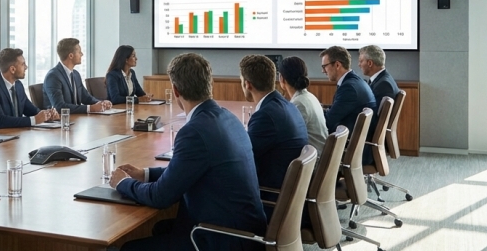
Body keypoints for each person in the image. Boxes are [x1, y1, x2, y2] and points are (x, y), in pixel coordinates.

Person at [110, 53, 266, 251]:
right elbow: (186, 169)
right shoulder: (228, 117)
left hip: (223, 239)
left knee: (128, 248)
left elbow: (160, 197)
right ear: (210, 84)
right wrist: (145, 174)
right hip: (245, 231)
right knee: (161, 228)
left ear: (175, 90)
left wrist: (122, 183)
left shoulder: (194, 131)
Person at [240, 55, 308, 215]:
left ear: (247, 84)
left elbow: (242, 159)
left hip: (271, 202)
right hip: (290, 198)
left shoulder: (266, 116)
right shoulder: (287, 105)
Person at [0, 48, 58, 128]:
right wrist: (34, 120)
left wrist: (47, 115)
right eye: (23, 64)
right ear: (12, 69)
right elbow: (0, 121)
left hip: (15, 133)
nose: (26, 67)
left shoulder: (18, 85)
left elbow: (31, 110)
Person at [43, 38, 112, 113]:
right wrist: (90, 108)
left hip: (77, 118)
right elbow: (59, 107)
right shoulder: (53, 76)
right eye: (79, 52)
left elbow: (86, 98)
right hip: (62, 119)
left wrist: (101, 103)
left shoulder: (76, 74)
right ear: (71, 56)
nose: (82, 54)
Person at [320, 46, 376, 139]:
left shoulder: (349, 88)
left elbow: (328, 121)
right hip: (354, 137)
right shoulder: (353, 81)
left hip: (347, 141)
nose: (323, 71)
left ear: (337, 65)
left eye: (324, 66)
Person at [277, 56, 328, 154]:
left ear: (282, 79)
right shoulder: (309, 96)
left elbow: (289, 138)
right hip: (317, 154)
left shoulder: (298, 103)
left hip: (311, 159)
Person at [359, 45, 400, 112]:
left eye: (361, 61)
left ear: (370, 63)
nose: (359, 65)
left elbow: (372, 113)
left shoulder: (384, 85)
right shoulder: (382, 79)